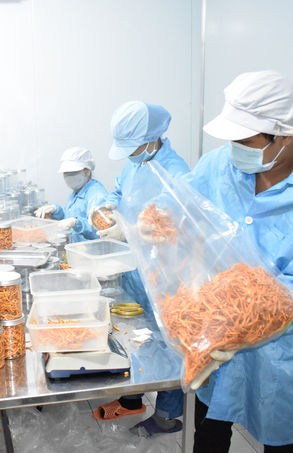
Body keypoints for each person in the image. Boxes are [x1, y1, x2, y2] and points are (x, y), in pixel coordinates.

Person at [144, 71, 293, 452]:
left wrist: (238, 330)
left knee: (280, 440)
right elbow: (182, 204)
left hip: (277, 352)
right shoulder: (218, 165)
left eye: (245, 139)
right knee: (208, 431)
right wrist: (158, 220)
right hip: (212, 335)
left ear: (286, 136)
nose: (234, 147)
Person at [91, 102, 189, 437]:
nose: (129, 154)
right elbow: (119, 193)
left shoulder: (174, 171)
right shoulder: (136, 164)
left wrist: (128, 230)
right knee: (138, 339)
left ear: (153, 138)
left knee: (169, 346)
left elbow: (169, 222)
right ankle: (132, 398)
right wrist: (106, 207)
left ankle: (166, 416)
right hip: (137, 273)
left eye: (131, 146)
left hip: (166, 276)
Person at [35, 147, 108, 242]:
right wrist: (56, 211)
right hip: (76, 250)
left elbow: (103, 232)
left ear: (88, 171)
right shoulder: (77, 191)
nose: (69, 176)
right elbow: (68, 219)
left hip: (91, 254)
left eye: (74, 172)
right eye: (66, 172)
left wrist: (77, 223)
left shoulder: (97, 196)